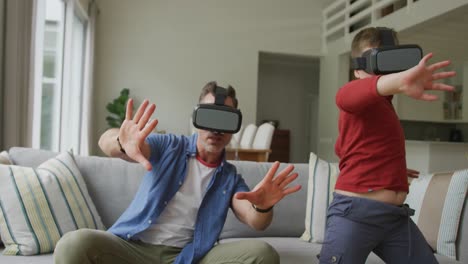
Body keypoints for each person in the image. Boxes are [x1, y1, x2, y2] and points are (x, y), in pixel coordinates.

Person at [54, 81, 301, 264]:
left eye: (225, 120)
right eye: (209, 117)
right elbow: (106, 142)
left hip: (188, 257)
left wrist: (263, 207)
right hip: (133, 249)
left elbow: (255, 220)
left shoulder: (230, 178)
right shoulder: (170, 146)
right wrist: (120, 142)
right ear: (196, 119)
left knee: (264, 255)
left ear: (233, 127)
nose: (215, 129)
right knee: (73, 244)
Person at [318, 27, 456, 263]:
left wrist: (390, 171)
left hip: (394, 218)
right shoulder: (354, 96)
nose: (385, 72)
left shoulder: (385, 107)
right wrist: (400, 81)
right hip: (355, 213)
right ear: (358, 69)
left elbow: (344, 149)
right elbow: (344, 96)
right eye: (377, 62)